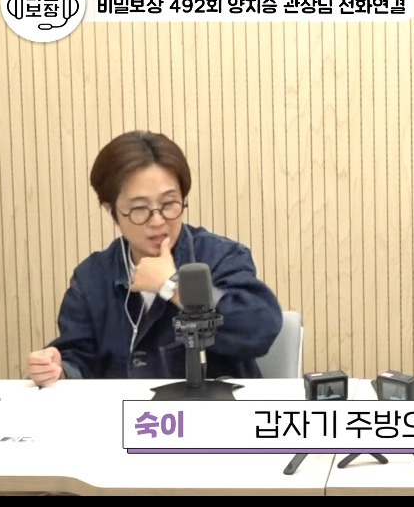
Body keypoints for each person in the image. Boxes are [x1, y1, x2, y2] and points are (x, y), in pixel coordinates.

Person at [26, 130, 284, 386]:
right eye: (140, 208)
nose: (158, 220)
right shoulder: (92, 277)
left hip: (210, 408)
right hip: (126, 412)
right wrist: (58, 369)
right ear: (111, 209)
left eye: (169, 204)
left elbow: (259, 329)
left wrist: (171, 285)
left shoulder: (220, 257)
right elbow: (79, 357)